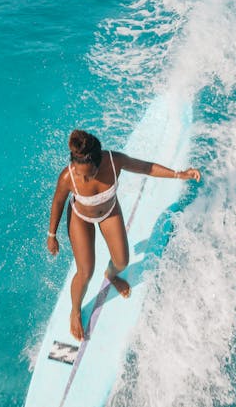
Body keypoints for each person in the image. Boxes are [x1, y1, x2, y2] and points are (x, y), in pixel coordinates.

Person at [46, 129, 201, 341]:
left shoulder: (114, 160)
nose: (84, 177)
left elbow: (146, 167)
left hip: (109, 212)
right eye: (79, 172)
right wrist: (52, 234)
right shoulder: (68, 176)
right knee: (85, 272)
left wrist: (178, 174)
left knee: (122, 261)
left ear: (99, 162)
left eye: (89, 172)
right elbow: (58, 202)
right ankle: (75, 310)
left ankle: (110, 275)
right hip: (80, 218)